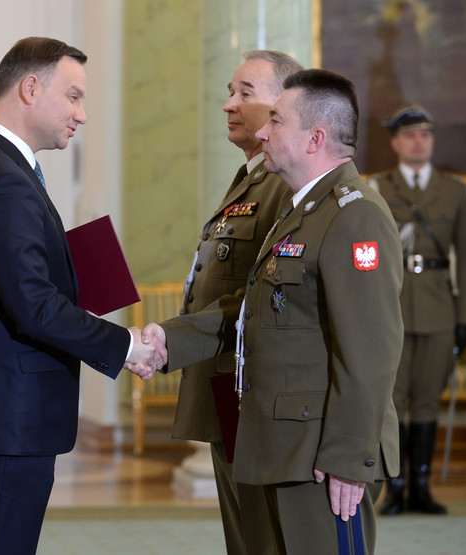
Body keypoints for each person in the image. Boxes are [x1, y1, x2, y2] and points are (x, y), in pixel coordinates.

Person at [138, 69, 404, 554]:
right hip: (276, 444)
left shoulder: (355, 213)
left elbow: (371, 352)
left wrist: (349, 458)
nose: (262, 132)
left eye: (277, 121)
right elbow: (253, 308)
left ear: (315, 138)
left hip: (322, 458)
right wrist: (170, 339)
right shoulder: (300, 211)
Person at [0, 37, 163, 555]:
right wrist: (127, 346)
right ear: (30, 88)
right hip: (5, 423)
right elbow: (33, 305)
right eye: (74, 96)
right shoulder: (2, 180)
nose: (82, 114)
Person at [174, 50, 300, 555]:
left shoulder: (280, 184)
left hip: (248, 388)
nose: (229, 104)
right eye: (230, 91)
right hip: (226, 382)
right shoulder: (250, 178)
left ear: (282, 105)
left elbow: (264, 296)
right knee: (242, 534)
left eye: (245, 93)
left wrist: (167, 340)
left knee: (260, 535)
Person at [368, 105, 466, 515]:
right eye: (411, 135)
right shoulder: (377, 187)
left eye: (426, 134)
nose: (419, 141)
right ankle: (394, 487)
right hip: (391, 309)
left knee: (428, 400)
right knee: (391, 401)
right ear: (395, 143)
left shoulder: (454, 192)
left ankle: (422, 487)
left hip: (438, 312)